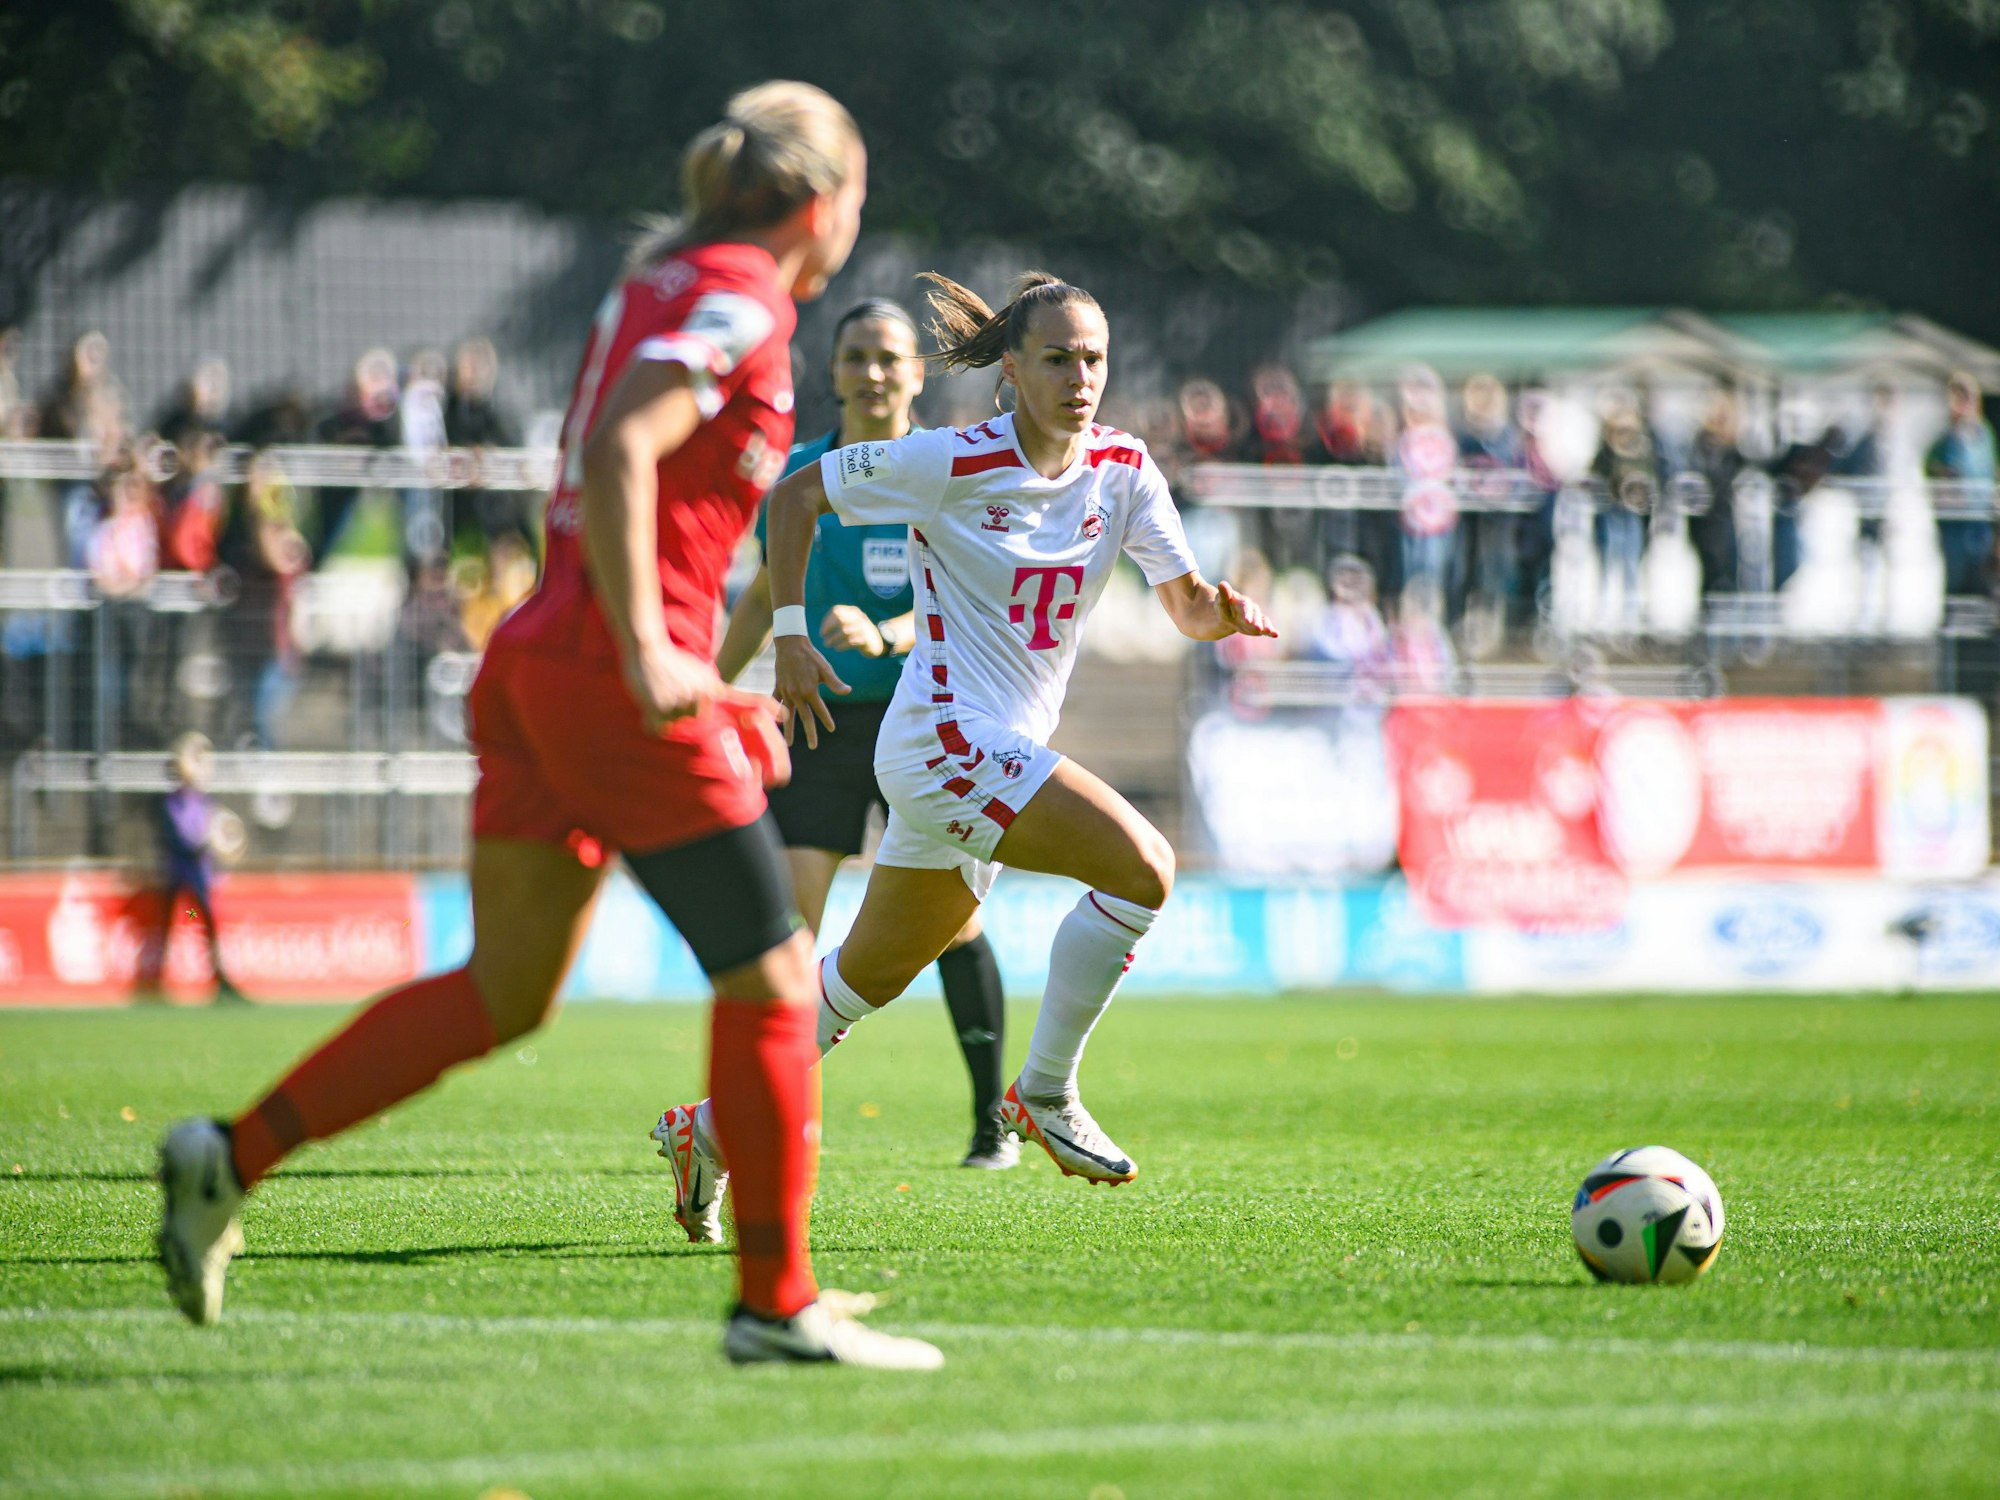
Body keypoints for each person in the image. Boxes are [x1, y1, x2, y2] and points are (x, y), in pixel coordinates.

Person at [155, 82, 940, 1371]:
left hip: (535, 660)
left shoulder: (666, 279)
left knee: (504, 992)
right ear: (824, 202)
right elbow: (625, 445)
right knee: (777, 979)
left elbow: (619, 451)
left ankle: (228, 1157)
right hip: (605, 677)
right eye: (858, 182)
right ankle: (774, 1303)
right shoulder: (742, 298)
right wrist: (649, 649)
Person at [656, 270, 1276, 1234]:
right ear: (1012, 373)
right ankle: (1045, 1092)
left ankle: (709, 1132)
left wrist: (1219, 614)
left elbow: (1185, 603)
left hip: (992, 750)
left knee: (860, 982)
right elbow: (792, 499)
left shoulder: (1124, 468)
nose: (1081, 378)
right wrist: (787, 636)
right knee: (1143, 870)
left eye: (1094, 359)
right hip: (940, 740)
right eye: (1058, 359)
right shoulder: (948, 460)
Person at [683, 297, 1017, 1174]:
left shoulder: (947, 471)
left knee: (952, 926)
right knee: (791, 933)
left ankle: (994, 1121)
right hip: (821, 725)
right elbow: (762, 593)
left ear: (918, 373)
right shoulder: (800, 477)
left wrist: (892, 634)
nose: (874, 372)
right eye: (857, 356)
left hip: (929, 720)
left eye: (890, 357)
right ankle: (782, 1118)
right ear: (832, 373)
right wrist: (712, 688)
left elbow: (976, 595)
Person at [137, 733, 247, 1002]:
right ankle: (156, 981)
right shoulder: (171, 803)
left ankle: (218, 978)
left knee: (199, 920)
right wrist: (200, 846)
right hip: (179, 874)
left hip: (197, 877)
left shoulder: (204, 802)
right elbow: (176, 839)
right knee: (175, 922)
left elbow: (213, 832)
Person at [1925, 372, 1996, 595]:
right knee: (1956, 586)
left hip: (1982, 525)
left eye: (1966, 398)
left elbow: (1992, 472)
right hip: (1955, 527)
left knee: (1984, 587)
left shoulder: (1984, 435)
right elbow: (1931, 469)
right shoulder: (1945, 440)